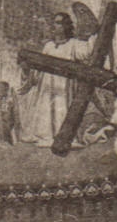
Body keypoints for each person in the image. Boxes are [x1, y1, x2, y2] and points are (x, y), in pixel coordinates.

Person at [14, 12, 81, 145]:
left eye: (60, 23)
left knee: (62, 108)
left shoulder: (73, 44)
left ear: (67, 26)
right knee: (46, 108)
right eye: (55, 23)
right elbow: (38, 69)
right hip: (47, 84)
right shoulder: (49, 46)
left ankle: (61, 136)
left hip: (64, 85)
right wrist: (27, 70)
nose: (57, 26)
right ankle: (45, 134)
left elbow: (87, 52)